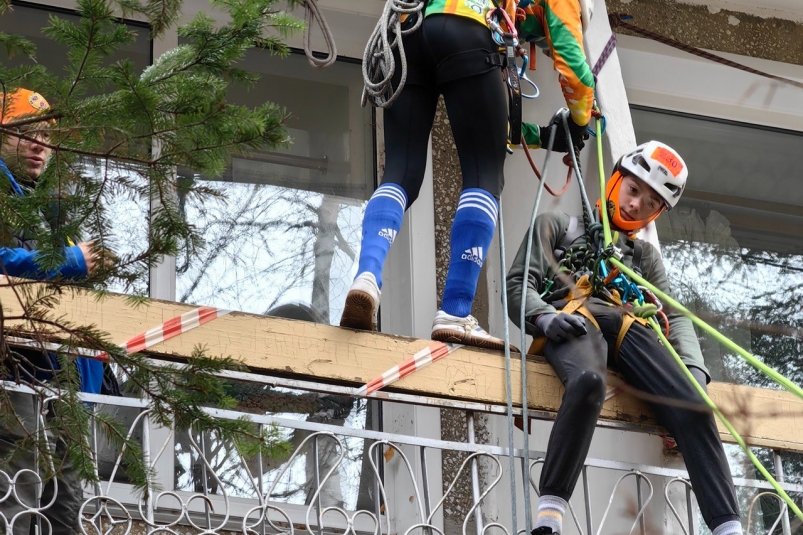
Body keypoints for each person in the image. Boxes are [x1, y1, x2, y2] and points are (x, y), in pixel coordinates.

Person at [506, 140, 742, 535]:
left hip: (630, 326)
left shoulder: (644, 258)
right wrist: (543, 317)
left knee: (695, 406)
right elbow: (518, 284)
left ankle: (729, 528)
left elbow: (673, 314)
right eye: (634, 191)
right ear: (615, 178)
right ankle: (548, 519)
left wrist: (692, 372)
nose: (636, 206)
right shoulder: (557, 227)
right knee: (587, 382)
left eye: (650, 204)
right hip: (576, 318)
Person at [340, 0, 595, 349]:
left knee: (400, 172)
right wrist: (580, 124)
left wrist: (544, 137)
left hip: (409, 34)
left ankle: (366, 278)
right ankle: (455, 312)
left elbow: (495, 128)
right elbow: (576, 72)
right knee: (484, 176)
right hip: (468, 28)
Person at [0, 87, 106, 534]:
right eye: (27, 133)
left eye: (47, 136)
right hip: (13, 369)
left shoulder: (45, 210)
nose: (41, 145)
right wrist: (68, 262)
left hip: (57, 382)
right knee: (18, 481)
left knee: (68, 498)